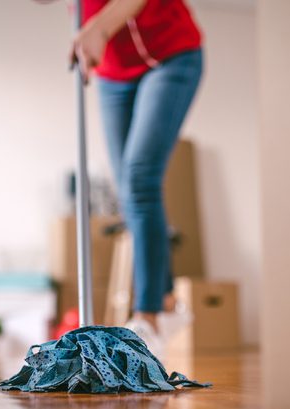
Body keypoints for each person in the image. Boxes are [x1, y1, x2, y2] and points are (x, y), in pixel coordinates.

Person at [66, 0, 203, 353]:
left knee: (140, 180)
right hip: (114, 74)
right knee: (127, 189)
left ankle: (148, 317)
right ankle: (168, 301)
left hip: (170, 55)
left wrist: (98, 27)